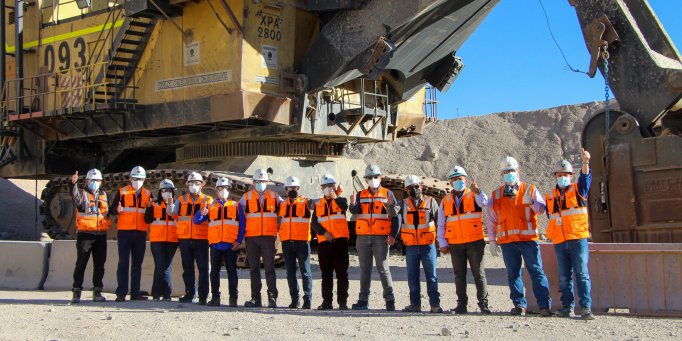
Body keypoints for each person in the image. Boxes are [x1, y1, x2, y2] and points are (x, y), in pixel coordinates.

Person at [488, 156, 552, 317]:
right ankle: (519, 305)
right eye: (506, 172)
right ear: (501, 174)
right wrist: (492, 240)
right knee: (513, 273)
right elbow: (491, 220)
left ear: (518, 171)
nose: (509, 174)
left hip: (528, 240)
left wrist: (532, 203)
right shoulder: (496, 195)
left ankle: (544, 305)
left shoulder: (529, 189)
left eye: (511, 171)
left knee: (536, 271)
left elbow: (541, 210)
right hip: (508, 242)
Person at [545, 149, 595, 320]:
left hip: (577, 239)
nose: (562, 177)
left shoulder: (578, 190)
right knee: (564, 276)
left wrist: (585, 162)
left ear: (571, 176)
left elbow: (586, 179)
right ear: (555, 176)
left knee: (581, 273)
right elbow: (551, 217)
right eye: (560, 174)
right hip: (560, 241)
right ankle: (567, 307)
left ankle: (586, 308)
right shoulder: (550, 197)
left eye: (566, 174)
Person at [437, 166, 490, 314]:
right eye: (454, 180)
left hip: (474, 241)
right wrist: (442, 243)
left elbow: (485, 203)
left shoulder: (474, 195)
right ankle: (461, 305)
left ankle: (483, 304)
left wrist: (478, 191)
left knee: (478, 273)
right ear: (450, 182)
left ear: (465, 180)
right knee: (459, 275)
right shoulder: (446, 200)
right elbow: (441, 223)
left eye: (460, 179)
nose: (457, 181)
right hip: (455, 243)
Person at [349, 164, 400, 311]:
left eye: (375, 177)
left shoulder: (388, 194)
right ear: (365, 180)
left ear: (380, 178)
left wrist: (392, 235)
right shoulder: (361, 195)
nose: (373, 180)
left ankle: (390, 301)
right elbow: (354, 210)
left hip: (381, 237)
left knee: (383, 269)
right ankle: (363, 300)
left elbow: (395, 216)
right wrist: (352, 204)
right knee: (365, 269)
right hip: (363, 237)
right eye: (370, 177)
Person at [194, 177, 245, 307]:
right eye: (220, 188)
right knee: (214, 273)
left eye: (226, 188)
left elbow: (242, 225)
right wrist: (201, 212)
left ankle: (233, 299)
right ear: (216, 191)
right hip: (216, 244)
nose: (223, 190)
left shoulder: (236, 205)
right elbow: (197, 221)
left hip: (230, 245)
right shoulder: (211, 206)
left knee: (231, 272)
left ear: (229, 190)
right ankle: (215, 298)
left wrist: (238, 241)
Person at [167, 172, 213, 305]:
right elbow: (172, 213)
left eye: (197, 183)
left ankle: (203, 296)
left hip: (202, 238)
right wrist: (169, 204)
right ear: (188, 185)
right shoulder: (181, 200)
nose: (194, 185)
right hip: (185, 239)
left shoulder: (207, 200)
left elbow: (213, 217)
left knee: (203, 268)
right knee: (187, 268)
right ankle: (189, 293)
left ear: (201, 185)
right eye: (192, 183)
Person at [240, 168, 284, 308]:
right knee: (254, 269)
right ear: (253, 183)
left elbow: (286, 207)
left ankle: (272, 297)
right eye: (258, 181)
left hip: (268, 237)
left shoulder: (274, 196)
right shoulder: (246, 197)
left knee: (270, 268)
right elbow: (238, 214)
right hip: (252, 237)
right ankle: (255, 298)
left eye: (263, 181)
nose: (261, 184)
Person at [400, 175, 443, 313]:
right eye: (411, 187)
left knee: (431, 276)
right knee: (412, 276)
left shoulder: (431, 202)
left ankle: (435, 305)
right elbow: (392, 213)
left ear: (421, 186)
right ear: (406, 190)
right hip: (411, 246)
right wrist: (389, 204)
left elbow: (439, 222)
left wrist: (441, 242)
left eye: (416, 186)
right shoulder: (403, 204)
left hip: (428, 245)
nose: (414, 189)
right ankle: (415, 305)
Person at [110, 166, 151, 302]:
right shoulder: (122, 192)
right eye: (135, 178)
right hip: (125, 232)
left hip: (140, 232)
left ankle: (135, 293)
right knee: (123, 262)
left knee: (137, 264)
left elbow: (149, 216)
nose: (137, 181)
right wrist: (117, 209)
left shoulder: (148, 194)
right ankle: (121, 293)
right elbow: (112, 210)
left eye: (140, 179)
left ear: (144, 179)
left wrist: (150, 208)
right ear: (130, 179)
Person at [69, 169, 111, 303]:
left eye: (97, 181)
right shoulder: (82, 194)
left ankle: (97, 292)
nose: (95, 183)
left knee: (99, 265)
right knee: (81, 264)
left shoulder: (104, 195)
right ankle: (76, 292)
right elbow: (75, 198)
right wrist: (73, 184)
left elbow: (107, 212)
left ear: (100, 182)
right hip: (85, 235)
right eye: (92, 180)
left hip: (100, 235)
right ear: (87, 181)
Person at [311, 174, 350, 310]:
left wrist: (336, 197)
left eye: (330, 186)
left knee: (342, 273)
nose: (328, 189)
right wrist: (324, 233)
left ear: (334, 187)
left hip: (340, 242)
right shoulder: (318, 204)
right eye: (325, 186)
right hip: (324, 243)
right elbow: (314, 223)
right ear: (322, 188)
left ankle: (342, 302)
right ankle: (327, 302)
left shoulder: (340, 200)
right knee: (326, 274)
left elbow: (345, 207)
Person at [278, 176, 313, 309]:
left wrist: (336, 194)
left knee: (306, 272)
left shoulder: (306, 202)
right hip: (287, 242)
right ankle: (295, 300)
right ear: (286, 190)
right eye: (290, 188)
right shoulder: (282, 204)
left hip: (302, 242)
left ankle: (307, 299)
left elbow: (320, 202)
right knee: (290, 273)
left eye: (295, 188)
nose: (293, 190)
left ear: (299, 189)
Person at [144, 179, 179, 301]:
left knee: (166, 267)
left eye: (169, 190)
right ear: (160, 192)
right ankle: (159, 293)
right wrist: (148, 208)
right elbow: (147, 220)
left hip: (173, 240)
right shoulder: (154, 204)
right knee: (160, 266)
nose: (167, 192)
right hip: (157, 240)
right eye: (164, 190)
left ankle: (164, 294)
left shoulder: (176, 205)